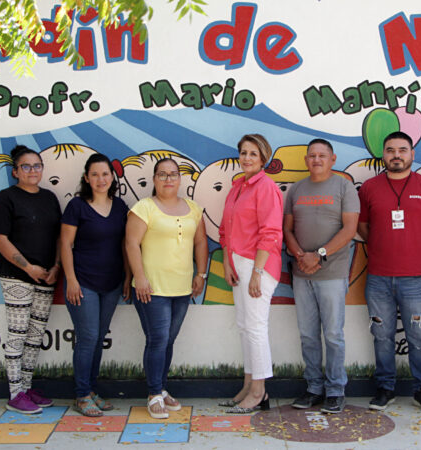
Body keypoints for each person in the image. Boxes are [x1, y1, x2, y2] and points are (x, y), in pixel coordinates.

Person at [358, 131, 421, 413]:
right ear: (383, 154)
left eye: (402, 150)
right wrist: (380, 243)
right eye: (391, 150)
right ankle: (385, 388)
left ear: (412, 154)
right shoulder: (370, 188)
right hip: (378, 278)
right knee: (381, 335)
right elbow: (361, 226)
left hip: (415, 279)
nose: (396, 155)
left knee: (418, 336)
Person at [125, 158, 209, 419]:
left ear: (180, 178)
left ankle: (161, 389)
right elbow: (131, 244)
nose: (168, 179)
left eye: (173, 174)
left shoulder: (194, 208)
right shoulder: (144, 208)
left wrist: (201, 273)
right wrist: (140, 277)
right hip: (151, 288)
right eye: (162, 174)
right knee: (158, 340)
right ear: (154, 179)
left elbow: (201, 243)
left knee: (168, 341)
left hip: (182, 287)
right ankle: (153, 394)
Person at [283, 139, 359, 414]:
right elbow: (287, 229)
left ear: (333, 158)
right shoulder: (297, 189)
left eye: (322, 155)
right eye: (312, 155)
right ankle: (314, 388)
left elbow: (350, 229)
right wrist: (302, 256)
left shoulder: (344, 187)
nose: (317, 159)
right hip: (302, 273)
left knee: (333, 334)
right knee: (308, 335)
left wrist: (320, 255)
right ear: (306, 160)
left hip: (332, 273)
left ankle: (336, 389)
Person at [0, 145, 61, 414]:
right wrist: (29, 268)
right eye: (26, 167)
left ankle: (26, 388)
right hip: (16, 276)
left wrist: (56, 266)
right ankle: (15, 393)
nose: (32, 171)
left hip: (46, 277)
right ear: (16, 171)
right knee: (18, 333)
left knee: (35, 333)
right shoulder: (6, 198)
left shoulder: (50, 198)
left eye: (37, 166)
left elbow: (59, 236)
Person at [60, 153, 131, 417]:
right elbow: (65, 244)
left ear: (111, 177)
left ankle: (91, 391)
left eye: (105, 174)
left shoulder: (121, 206)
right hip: (83, 283)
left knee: (98, 338)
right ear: (86, 178)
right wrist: (71, 281)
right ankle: (81, 395)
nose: (100, 179)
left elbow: (126, 245)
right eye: (95, 174)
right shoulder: (77, 206)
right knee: (87, 337)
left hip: (111, 283)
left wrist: (127, 277)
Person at [218, 134, 283, 414]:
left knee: (256, 328)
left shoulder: (265, 187)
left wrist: (257, 272)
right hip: (237, 263)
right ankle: (247, 385)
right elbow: (225, 230)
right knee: (245, 326)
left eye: (253, 154)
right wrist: (226, 263)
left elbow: (270, 233)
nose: (246, 158)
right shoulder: (237, 187)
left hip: (259, 264)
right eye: (243, 153)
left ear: (263, 158)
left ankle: (259, 392)